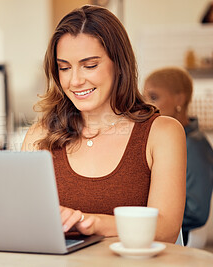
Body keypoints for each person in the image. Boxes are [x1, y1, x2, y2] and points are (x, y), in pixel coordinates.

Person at [21, 5, 186, 243]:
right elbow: (23, 221)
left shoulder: (162, 133)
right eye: (64, 68)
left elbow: (166, 229)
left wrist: (89, 222)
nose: (75, 80)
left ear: (119, 65)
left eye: (90, 65)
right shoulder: (41, 135)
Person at [143, 67, 213, 245]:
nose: (145, 104)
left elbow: (196, 211)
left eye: (153, 97)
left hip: (183, 240)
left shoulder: (195, 146)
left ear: (179, 99)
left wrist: (147, 220)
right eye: (143, 97)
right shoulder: (159, 138)